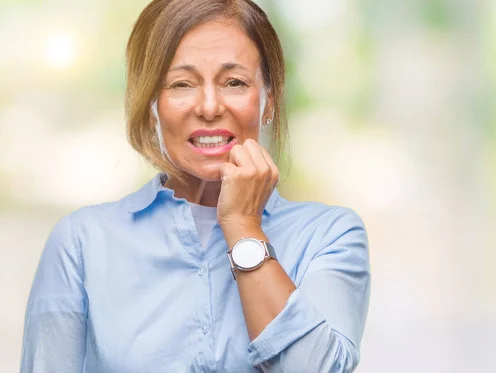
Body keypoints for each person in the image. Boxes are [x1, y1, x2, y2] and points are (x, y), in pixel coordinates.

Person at [20, 1, 370, 372]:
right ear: (151, 102)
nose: (208, 106)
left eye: (234, 82)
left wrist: (242, 225)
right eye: (181, 84)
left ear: (268, 99)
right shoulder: (81, 244)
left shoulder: (329, 236)